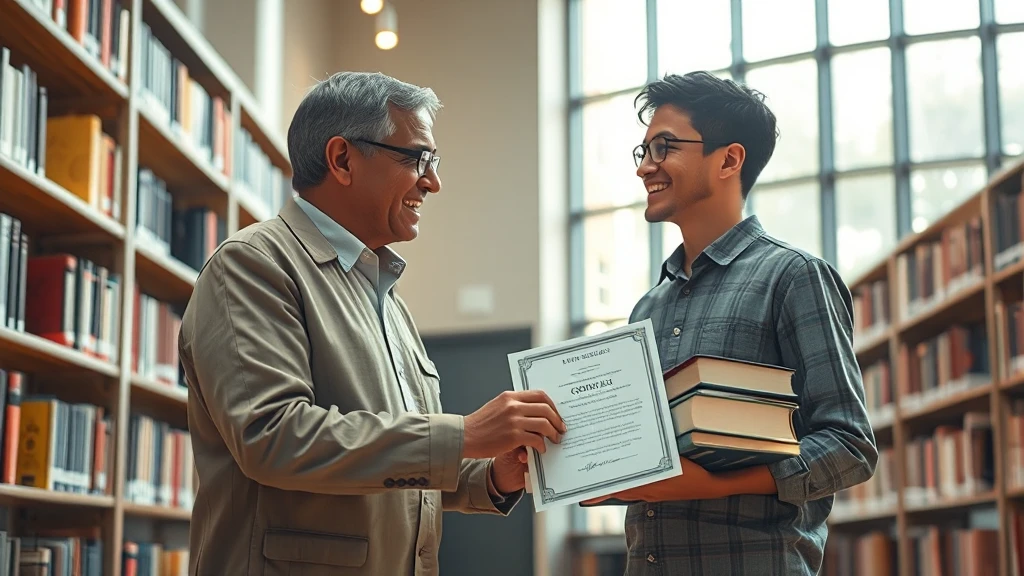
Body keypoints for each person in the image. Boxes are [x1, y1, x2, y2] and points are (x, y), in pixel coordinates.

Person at [177, 71, 566, 576]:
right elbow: (273, 437)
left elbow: (390, 472)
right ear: (342, 159)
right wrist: (462, 436)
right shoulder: (253, 265)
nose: (434, 181)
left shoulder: (384, 294)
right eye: (418, 158)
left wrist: (491, 475)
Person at [581, 71, 878, 574]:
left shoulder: (794, 277)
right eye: (644, 151)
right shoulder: (647, 307)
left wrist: (716, 485)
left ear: (729, 159)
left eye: (663, 148)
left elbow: (849, 447)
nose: (644, 168)